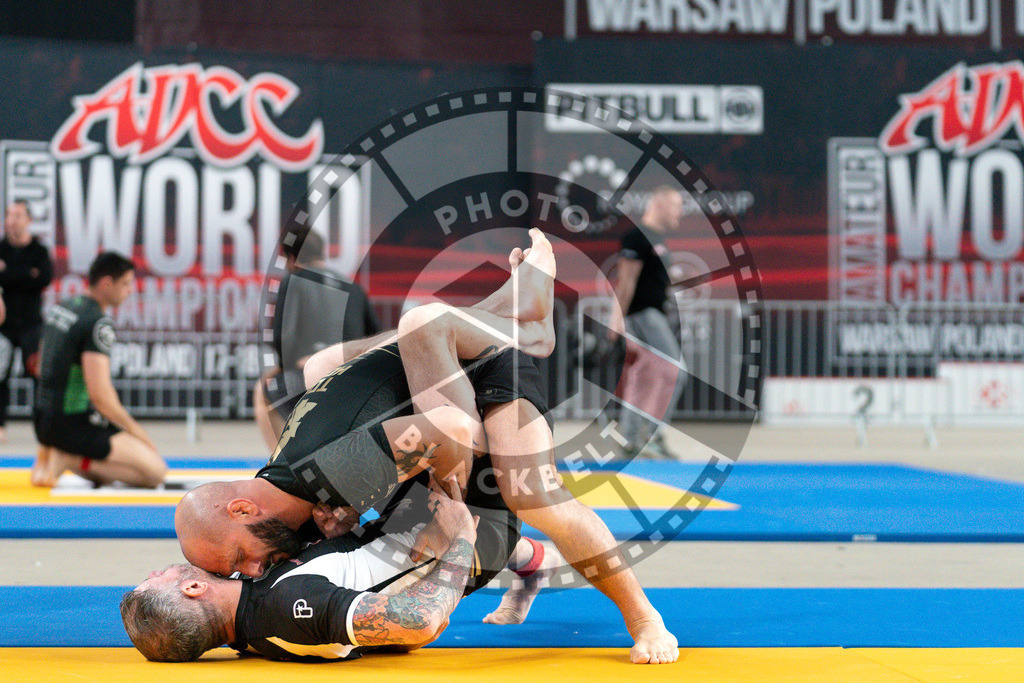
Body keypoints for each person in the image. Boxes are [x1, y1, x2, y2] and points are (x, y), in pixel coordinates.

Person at [176, 230, 678, 664]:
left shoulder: (332, 473)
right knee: (319, 366)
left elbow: (450, 431)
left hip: (476, 374)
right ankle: (507, 306)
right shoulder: (287, 506)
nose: (252, 573)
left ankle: (644, 618)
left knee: (528, 492)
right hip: (430, 388)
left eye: (240, 559)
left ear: (243, 507)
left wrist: (446, 502)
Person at [122, 482, 481, 662]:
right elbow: (422, 621)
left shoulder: (249, 617)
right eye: (153, 579)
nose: (156, 570)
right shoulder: (288, 605)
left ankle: (530, 559)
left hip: (409, 511)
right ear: (195, 588)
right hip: (459, 519)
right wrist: (463, 537)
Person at [30, 252, 167, 488]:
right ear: (106, 283)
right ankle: (67, 456)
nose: (130, 291)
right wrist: (138, 434)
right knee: (155, 472)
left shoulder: (63, 306)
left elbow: (41, 366)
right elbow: (101, 397)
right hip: (71, 425)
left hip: (42, 417)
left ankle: (58, 452)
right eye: (125, 284)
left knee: (115, 472)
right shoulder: (98, 323)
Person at [254, 229, 381, 452]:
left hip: (308, 377)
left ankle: (280, 466)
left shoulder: (292, 280)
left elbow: (284, 337)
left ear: (291, 260)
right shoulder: (353, 288)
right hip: (353, 379)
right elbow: (376, 337)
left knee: (262, 390)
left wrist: (288, 365)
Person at [608, 186, 687, 459]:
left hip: (654, 313)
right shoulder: (637, 237)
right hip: (642, 315)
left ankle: (631, 439)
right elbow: (625, 283)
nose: (680, 212)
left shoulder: (657, 239)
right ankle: (650, 435)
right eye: (676, 205)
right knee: (676, 372)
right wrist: (616, 319)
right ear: (660, 203)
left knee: (642, 378)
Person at [0, 201, 53, 442]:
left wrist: (8, 273)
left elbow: (43, 278)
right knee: (0, 375)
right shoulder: (1, 248)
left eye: (17, 215)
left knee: (38, 375)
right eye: (9, 215)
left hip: (32, 324)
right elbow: (31, 277)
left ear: (29, 220)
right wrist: (26, 273)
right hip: (4, 325)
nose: (12, 220)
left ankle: (43, 427)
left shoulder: (39, 251)